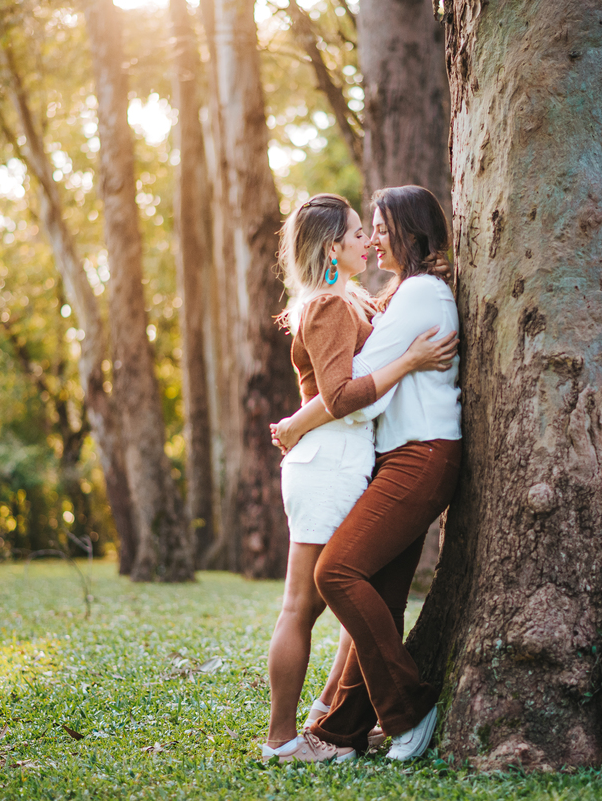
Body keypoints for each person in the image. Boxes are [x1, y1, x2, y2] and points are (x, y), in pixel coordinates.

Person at [261, 193, 457, 764]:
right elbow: (344, 393)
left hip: (354, 459)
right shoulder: (329, 305)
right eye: (357, 233)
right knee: (307, 599)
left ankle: (333, 722)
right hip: (328, 461)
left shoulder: (361, 300)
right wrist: (409, 361)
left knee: (349, 587)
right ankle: (282, 738)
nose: (368, 241)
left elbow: (391, 323)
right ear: (332, 248)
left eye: (376, 230)